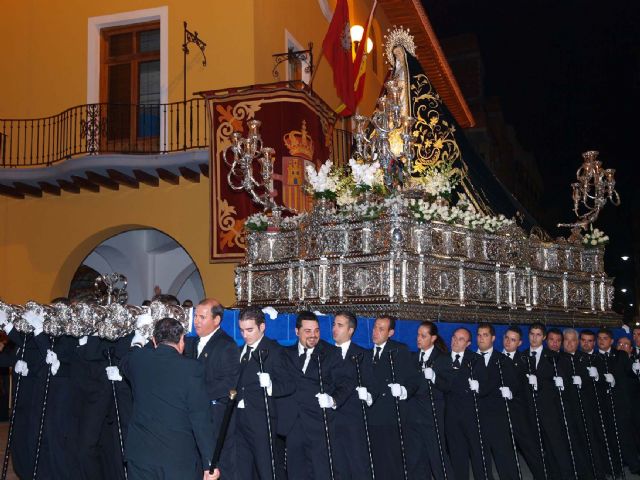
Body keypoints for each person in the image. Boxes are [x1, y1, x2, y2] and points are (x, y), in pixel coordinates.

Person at [119, 317, 219, 480]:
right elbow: (201, 419)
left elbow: (125, 361)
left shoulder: (138, 360)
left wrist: (138, 343)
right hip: (176, 457)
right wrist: (210, 463)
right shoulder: (191, 369)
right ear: (181, 340)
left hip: (140, 455)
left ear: (153, 340)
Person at [278, 311, 353, 480]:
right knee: (296, 472)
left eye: (316, 331)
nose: (313, 335)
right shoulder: (285, 354)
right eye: (308, 331)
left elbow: (346, 382)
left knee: (322, 472)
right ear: (297, 332)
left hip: (320, 424)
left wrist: (333, 400)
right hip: (293, 424)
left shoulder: (331, 353)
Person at [234, 307, 293, 480]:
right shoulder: (239, 351)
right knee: (242, 470)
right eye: (242, 330)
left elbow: (290, 384)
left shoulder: (275, 351)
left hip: (262, 422)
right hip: (238, 421)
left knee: (267, 470)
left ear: (262, 327)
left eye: (250, 330)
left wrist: (271, 386)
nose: (245, 335)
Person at [185, 298, 240, 478]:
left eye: (202, 317)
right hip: (193, 417)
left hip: (215, 419)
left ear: (216, 320)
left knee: (217, 467)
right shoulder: (190, 343)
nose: (196, 321)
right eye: (195, 316)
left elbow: (229, 383)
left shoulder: (226, 345)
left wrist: (196, 395)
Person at [517, 322, 574, 480]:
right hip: (530, 410)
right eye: (532, 334)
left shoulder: (554, 357)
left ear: (543, 337)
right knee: (538, 449)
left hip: (550, 411)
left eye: (538, 335)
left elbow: (561, 383)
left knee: (557, 448)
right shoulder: (522, 357)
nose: (534, 338)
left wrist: (540, 383)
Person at [367, 315, 417, 479]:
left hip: (391, 417)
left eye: (381, 329)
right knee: (374, 462)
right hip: (370, 415)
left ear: (391, 333)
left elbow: (413, 380)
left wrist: (403, 390)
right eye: (375, 327)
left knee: (392, 462)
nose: (375, 332)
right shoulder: (366, 354)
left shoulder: (399, 350)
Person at [331, 310, 376, 480]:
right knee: (337, 468)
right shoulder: (325, 353)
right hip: (332, 420)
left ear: (350, 330)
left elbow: (372, 385)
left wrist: (368, 396)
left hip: (354, 421)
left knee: (358, 466)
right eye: (334, 324)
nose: (335, 328)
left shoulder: (362, 355)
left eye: (340, 325)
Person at [477, 323, 525, 480]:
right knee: (481, 461)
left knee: (505, 459)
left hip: (498, 417)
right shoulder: (470, 359)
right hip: (477, 417)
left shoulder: (503, 360)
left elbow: (515, 386)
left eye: (485, 335)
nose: (481, 338)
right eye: (479, 335)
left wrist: (509, 392)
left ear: (493, 338)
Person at [445, 327, 492, 480]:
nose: (455, 341)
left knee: (479, 456)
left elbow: (486, 385)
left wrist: (479, 387)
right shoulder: (443, 359)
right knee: (457, 457)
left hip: (472, 416)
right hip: (452, 416)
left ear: (468, 343)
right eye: (454, 337)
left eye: (460, 339)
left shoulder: (475, 359)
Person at [596, 328, 640, 475]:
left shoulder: (620, 355)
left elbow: (629, 374)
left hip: (620, 402)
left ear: (611, 341)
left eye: (605, 338)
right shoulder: (594, 358)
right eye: (600, 338)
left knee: (625, 435)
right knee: (609, 436)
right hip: (604, 403)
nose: (602, 341)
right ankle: (615, 466)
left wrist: (634, 370)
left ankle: (634, 464)